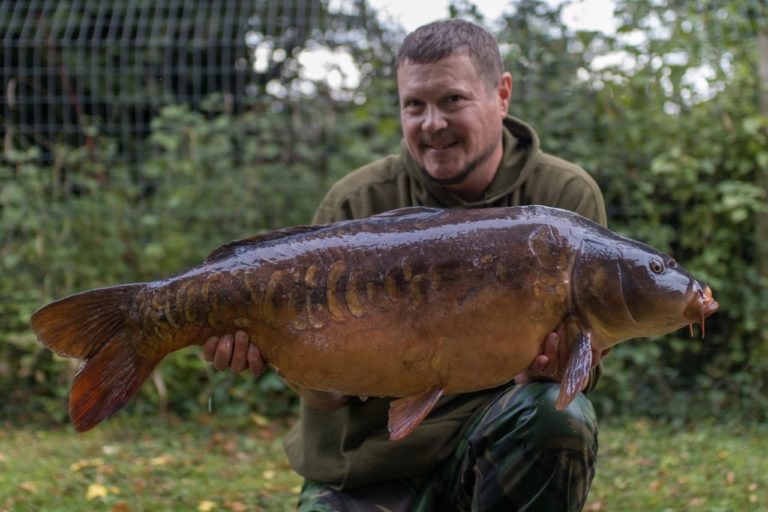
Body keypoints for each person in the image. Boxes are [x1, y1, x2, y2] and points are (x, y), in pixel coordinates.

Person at [203, 19, 607, 511]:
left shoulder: (563, 201)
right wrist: (275, 353)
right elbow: (326, 397)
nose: (432, 123)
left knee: (557, 415)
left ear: (501, 94)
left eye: (452, 100)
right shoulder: (356, 202)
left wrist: (542, 374)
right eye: (414, 105)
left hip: (493, 448)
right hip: (369, 467)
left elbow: (581, 365)